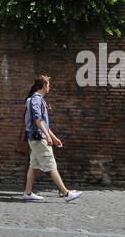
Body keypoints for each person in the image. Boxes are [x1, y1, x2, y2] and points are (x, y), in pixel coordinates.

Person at [23, 74, 82, 202]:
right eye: (48, 85)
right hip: (38, 138)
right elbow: (38, 121)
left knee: (33, 165)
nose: (49, 87)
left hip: (37, 137)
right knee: (51, 164)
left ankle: (28, 193)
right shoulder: (36, 100)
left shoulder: (39, 100)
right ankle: (66, 193)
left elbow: (43, 123)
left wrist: (54, 137)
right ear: (44, 85)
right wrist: (48, 136)